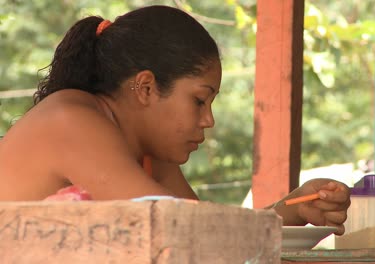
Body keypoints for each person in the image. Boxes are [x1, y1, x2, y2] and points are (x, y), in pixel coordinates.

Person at [0, 5, 350, 234]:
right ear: (146, 87)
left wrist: (294, 209)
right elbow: (181, 227)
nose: (208, 120)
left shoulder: (147, 152)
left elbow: (210, 234)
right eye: (199, 100)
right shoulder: (71, 119)